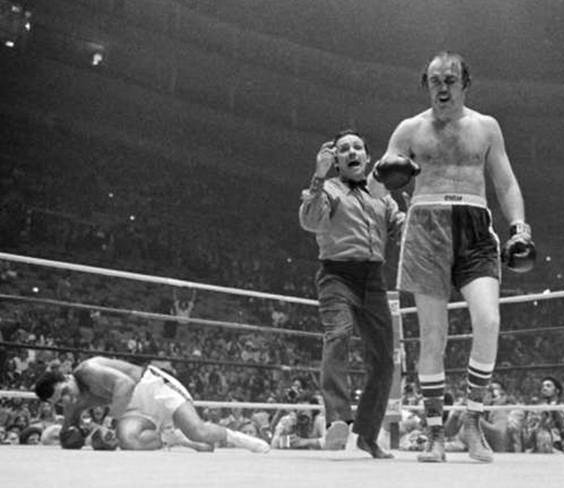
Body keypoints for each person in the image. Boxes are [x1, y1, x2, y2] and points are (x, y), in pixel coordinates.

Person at [378, 51, 534, 463]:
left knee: (489, 319)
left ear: (465, 83)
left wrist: (520, 227)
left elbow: (505, 183)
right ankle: (433, 434)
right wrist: (385, 174)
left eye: (450, 79)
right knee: (433, 335)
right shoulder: (409, 130)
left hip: (475, 225)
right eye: (434, 80)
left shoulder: (486, 128)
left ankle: (471, 420)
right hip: (425, 224)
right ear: (426, 84)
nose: (442, 87)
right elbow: (379, 189)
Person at [298, 129, 406, 459]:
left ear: (368, 158)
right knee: (339, 334)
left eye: (357, 147)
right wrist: (318, 176)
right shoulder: (328, 188)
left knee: (384, 360)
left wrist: (416, 217)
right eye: (343, 149)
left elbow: (401, 230)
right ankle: (336, 418)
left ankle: (367, 435)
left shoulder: (382, 195)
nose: (351, 151)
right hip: (336, 275)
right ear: (336, 160)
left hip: (373, 279)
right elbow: (310, 221)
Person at [33, 356, 270, 453]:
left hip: (152, 386)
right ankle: (171, 438)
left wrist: (107, 422)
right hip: (132, 408)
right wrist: (69, 434)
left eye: (64, 392)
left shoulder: (88, 370)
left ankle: (240, 439)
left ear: (65, 377)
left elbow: (124, 385)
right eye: (59, 402)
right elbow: (67, 435)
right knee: (128, 442)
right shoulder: (72, 402)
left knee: (199, 432)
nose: (67, 400)